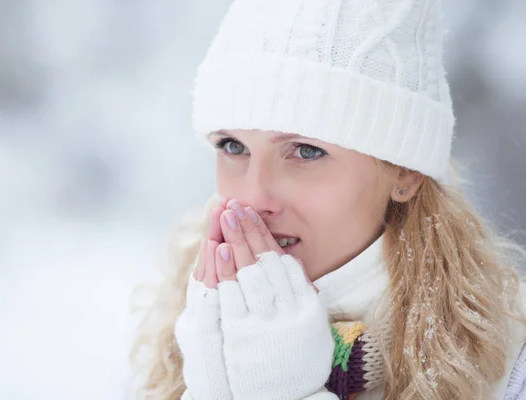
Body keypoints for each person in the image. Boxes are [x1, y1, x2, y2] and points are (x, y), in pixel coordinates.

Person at [130, 0, 526, 398]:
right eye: (233, 145)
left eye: (305, 151)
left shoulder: (510, 362)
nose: (253, 197)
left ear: (404, 172)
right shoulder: (183, 328)